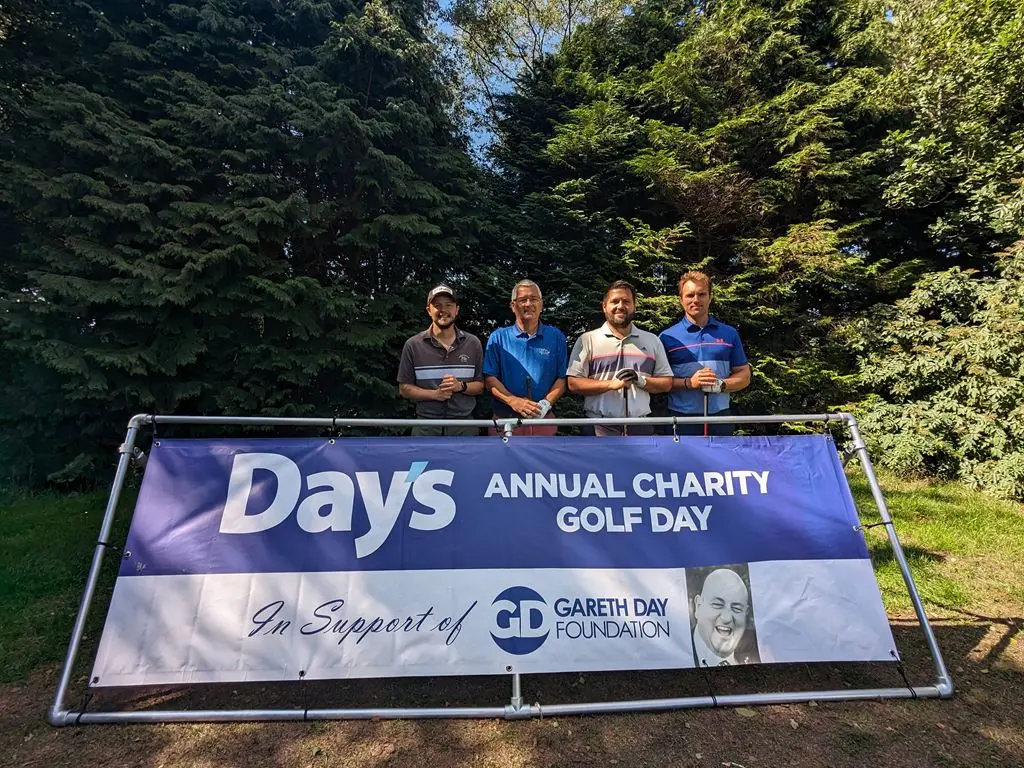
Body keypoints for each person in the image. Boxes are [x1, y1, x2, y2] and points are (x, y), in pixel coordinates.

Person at [566, 280, 673, 436]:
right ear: (604, 306)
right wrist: (611, 384)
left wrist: (640, 380)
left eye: (626, 301)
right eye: (614, 301)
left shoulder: (652, 340)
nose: (620, 306)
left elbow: (667, 383)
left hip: (640, 426)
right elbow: (574, 383)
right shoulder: (587, 340)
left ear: (634, 306)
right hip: (599, 426)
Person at [660, 272, 751, 436]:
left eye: (701, 294)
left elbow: (744, 375)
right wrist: (689, 383)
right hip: (680, 419)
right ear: (681, 299)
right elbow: (658, 383)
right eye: (690, 295)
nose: (696, 300)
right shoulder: (667, 337)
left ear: (710, 297)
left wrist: (721, 385)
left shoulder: (729, 333)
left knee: (721, 463)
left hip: (720, 418)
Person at [483, 280, 568, 436]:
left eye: (534, 299)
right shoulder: (498, 338)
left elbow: (562, 378)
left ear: (541, 305)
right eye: (522, 300)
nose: (528, 304)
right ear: (513, 306)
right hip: (505, 420)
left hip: (543, 421)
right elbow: (490, 379)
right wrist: (512, 401)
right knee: (503, 461)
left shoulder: (556, 337)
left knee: (543, 461)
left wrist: (545, 404)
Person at [397, 285, 484, 436]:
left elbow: (481, 385)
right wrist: (434, 394)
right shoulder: (413, 345)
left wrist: (460, 386)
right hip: (426, 426)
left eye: (449, 305)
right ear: (429, 310)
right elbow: (404, 388)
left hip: (464, 426)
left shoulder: (473, 343)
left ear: (457, 310)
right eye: (437, 305)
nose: (443, 310)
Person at [691, 568, 754, 667]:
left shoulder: (761, 653)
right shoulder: (674, 651)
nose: (727, 618)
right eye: (717, 604)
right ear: (698, 606)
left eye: (737, 608)